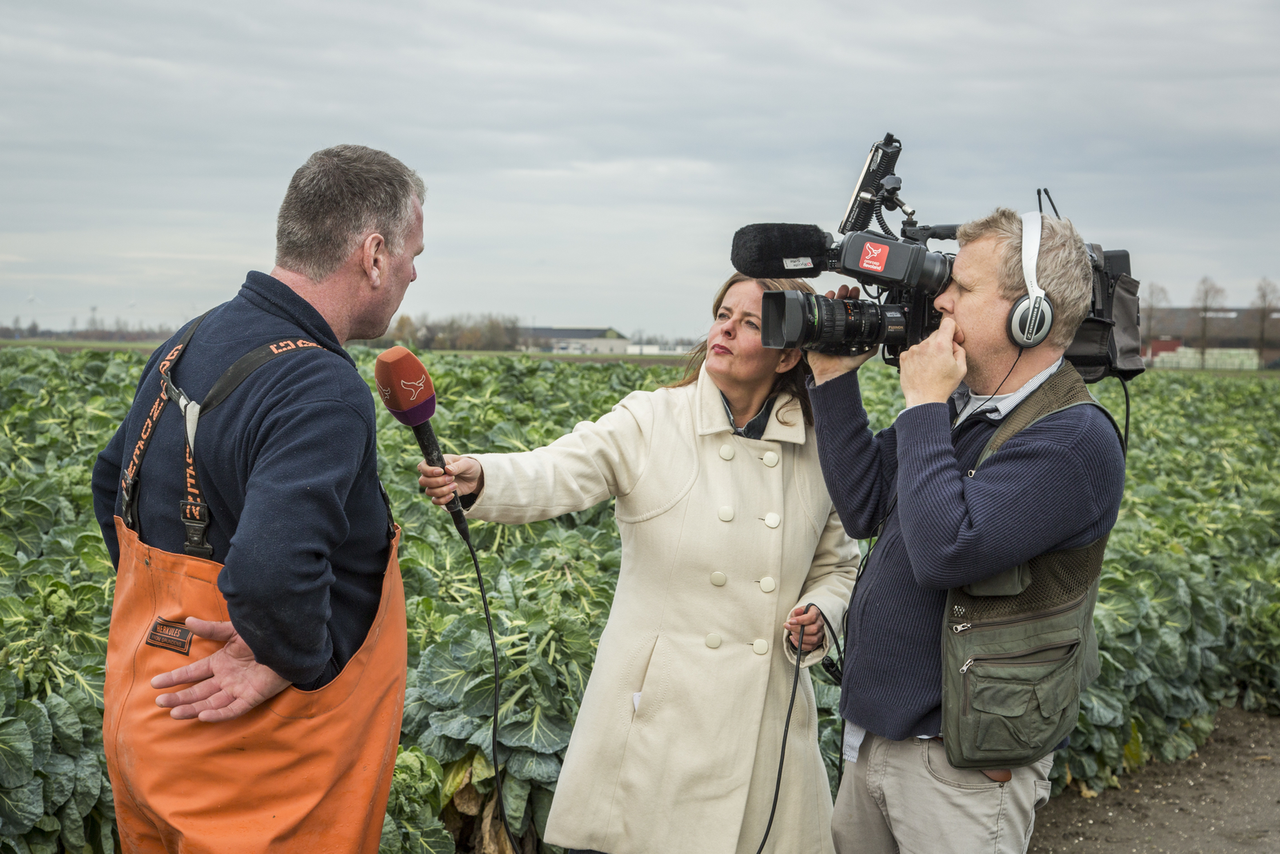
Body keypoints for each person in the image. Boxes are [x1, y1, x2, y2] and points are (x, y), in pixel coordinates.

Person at [419, 272, 859, 854]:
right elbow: (562, 468)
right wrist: (484, 476)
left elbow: (840, 567)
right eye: (724, 313)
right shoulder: (653, 419)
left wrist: (819, 613)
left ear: (788, 357)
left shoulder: (821, 447)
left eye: (751, 323)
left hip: (766, 731)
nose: (726, 328)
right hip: (657, 719)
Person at [90, 145, 425, 853]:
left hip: (149, 722)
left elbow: (108, 483)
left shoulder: (193, 338)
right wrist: (284, 658)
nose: (412, 274)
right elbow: (272, 572)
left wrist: (180, 612)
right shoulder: (319, 386)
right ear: (371, 255)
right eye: (410, 255)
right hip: (255, 772)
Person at [807, 209, 1127, 854]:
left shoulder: (1072, 439)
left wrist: (924, 404)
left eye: (963, 288)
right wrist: (833, 378)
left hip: (960, 765)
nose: (941, 300)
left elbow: (945, 553)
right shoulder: (967, 408)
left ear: (1029, 316)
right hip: (878, 738)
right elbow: (867, 504)